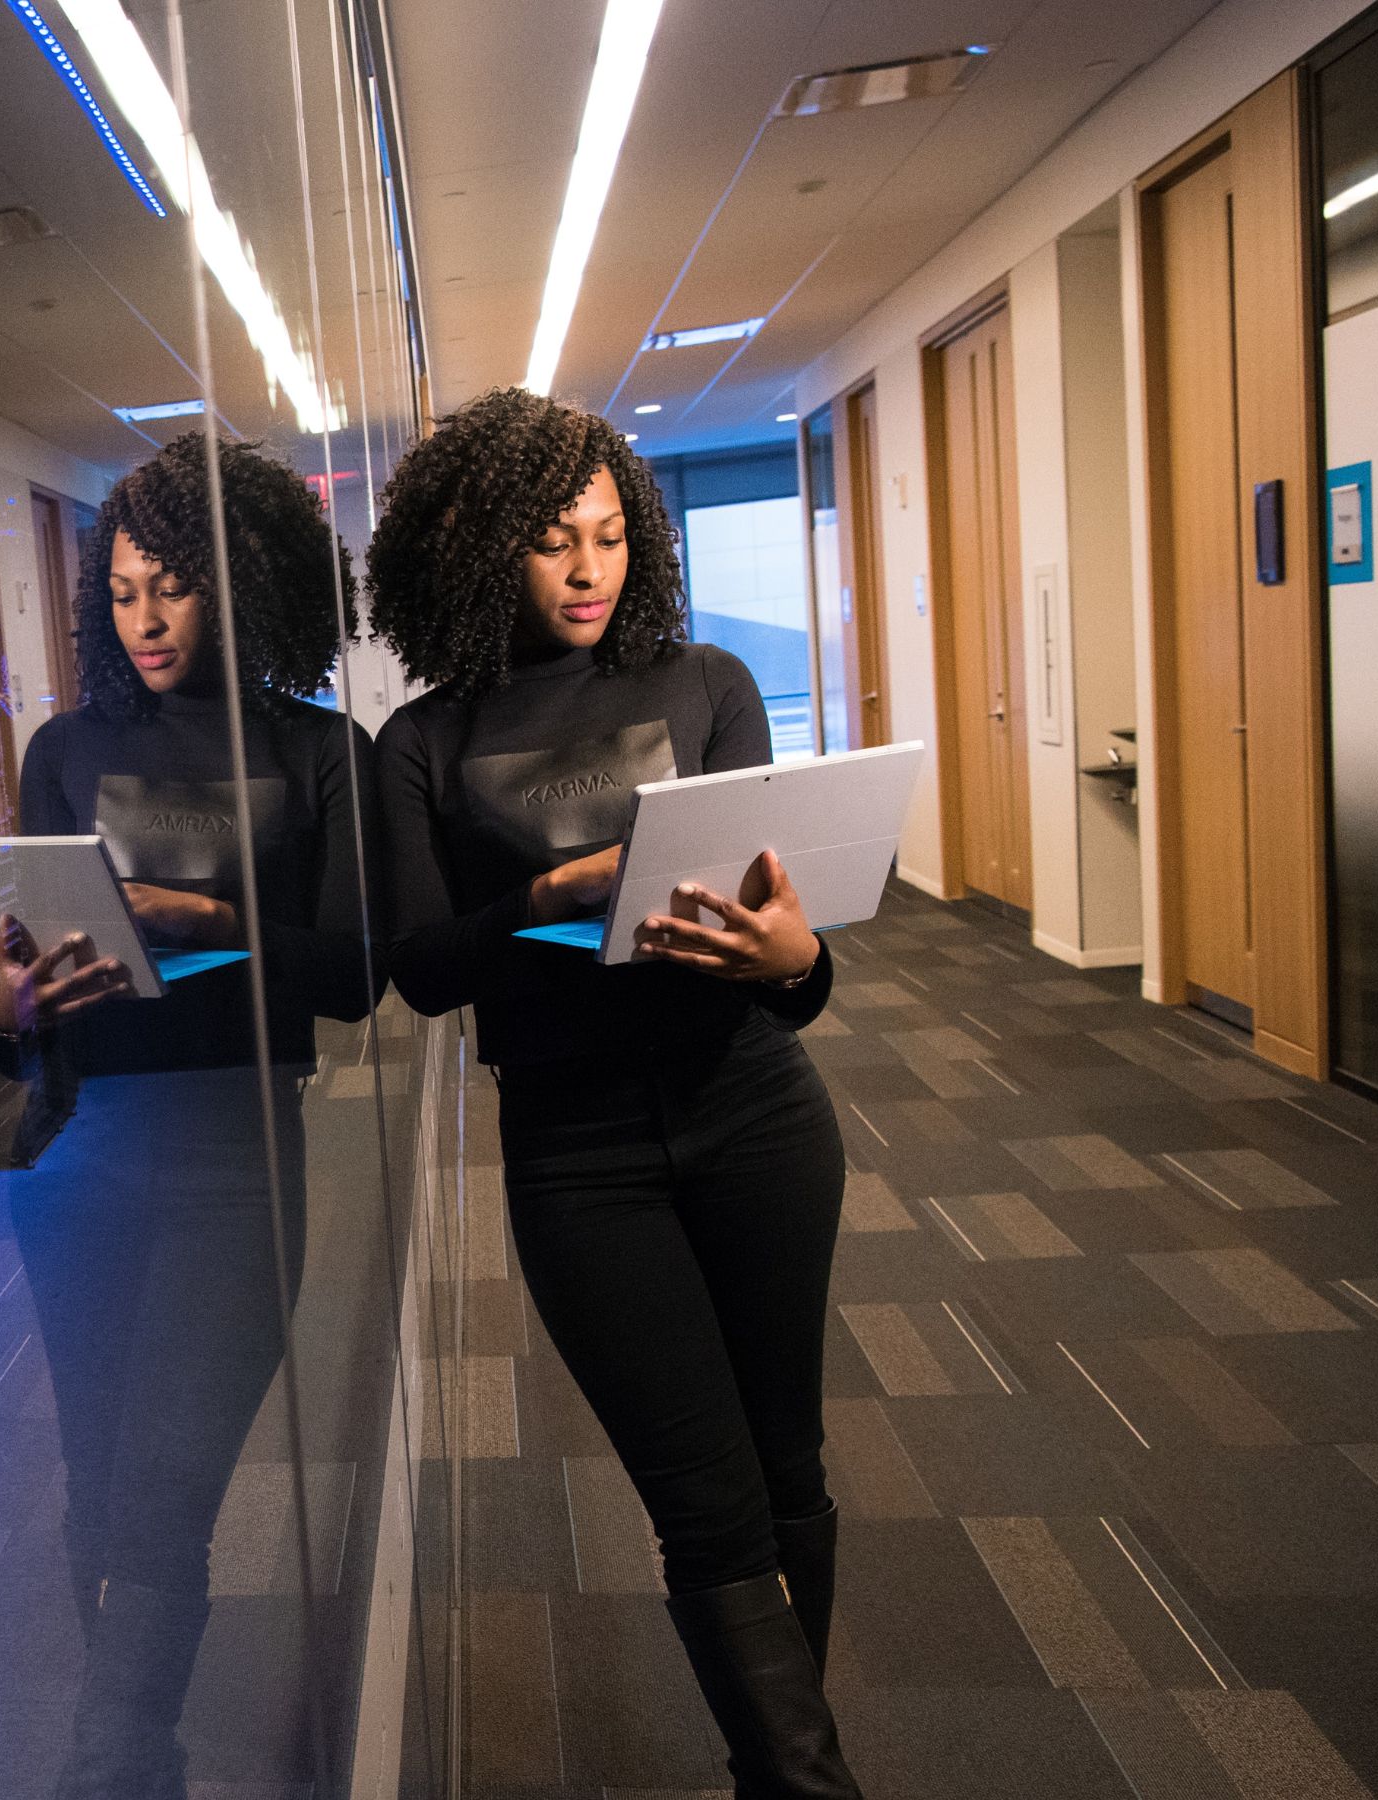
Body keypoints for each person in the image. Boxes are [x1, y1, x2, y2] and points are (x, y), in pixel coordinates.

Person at [365, 388, 860, 1799]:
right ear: (473, 546)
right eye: (551, 542)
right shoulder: (426, 741)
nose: (589, 571)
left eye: (607, 536)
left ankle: (775, 1769)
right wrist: (552, 895)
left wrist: (798, 956)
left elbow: (788, 967)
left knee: (789, 1471)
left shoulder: (705, 684)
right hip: (579, 1155)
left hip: (758, 1109)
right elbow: (419, 968)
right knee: (706, 1510)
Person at [0, 432, 374, 1800]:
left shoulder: (322, 752)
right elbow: (13, 1002)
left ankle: (114, 1763)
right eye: (126, 589)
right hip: (83, 1149)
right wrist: (4, 1011)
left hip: (237, 1154)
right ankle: (129, 1759)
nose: (145, 619)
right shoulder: (64, 750)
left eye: (176, 588)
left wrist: (222, 923)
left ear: (243, 585)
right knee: (101, 1486)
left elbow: (364, 975)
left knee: (165, 1487)